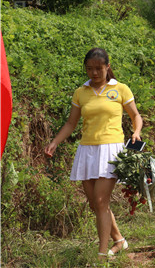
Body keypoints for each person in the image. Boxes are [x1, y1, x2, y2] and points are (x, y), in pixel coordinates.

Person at [44, 48, 142, 258]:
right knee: (95, 204)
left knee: (100, 201)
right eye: (90, 69)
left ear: (108, 66)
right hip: (86, 150)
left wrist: (136, 132)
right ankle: (119, 240)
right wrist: (55, 142)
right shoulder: (81, 92)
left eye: (99, 68)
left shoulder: (121, 89)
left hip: (111, 149)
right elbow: (71, 123)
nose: (94, 73)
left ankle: (101, 255)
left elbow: (135, 116)